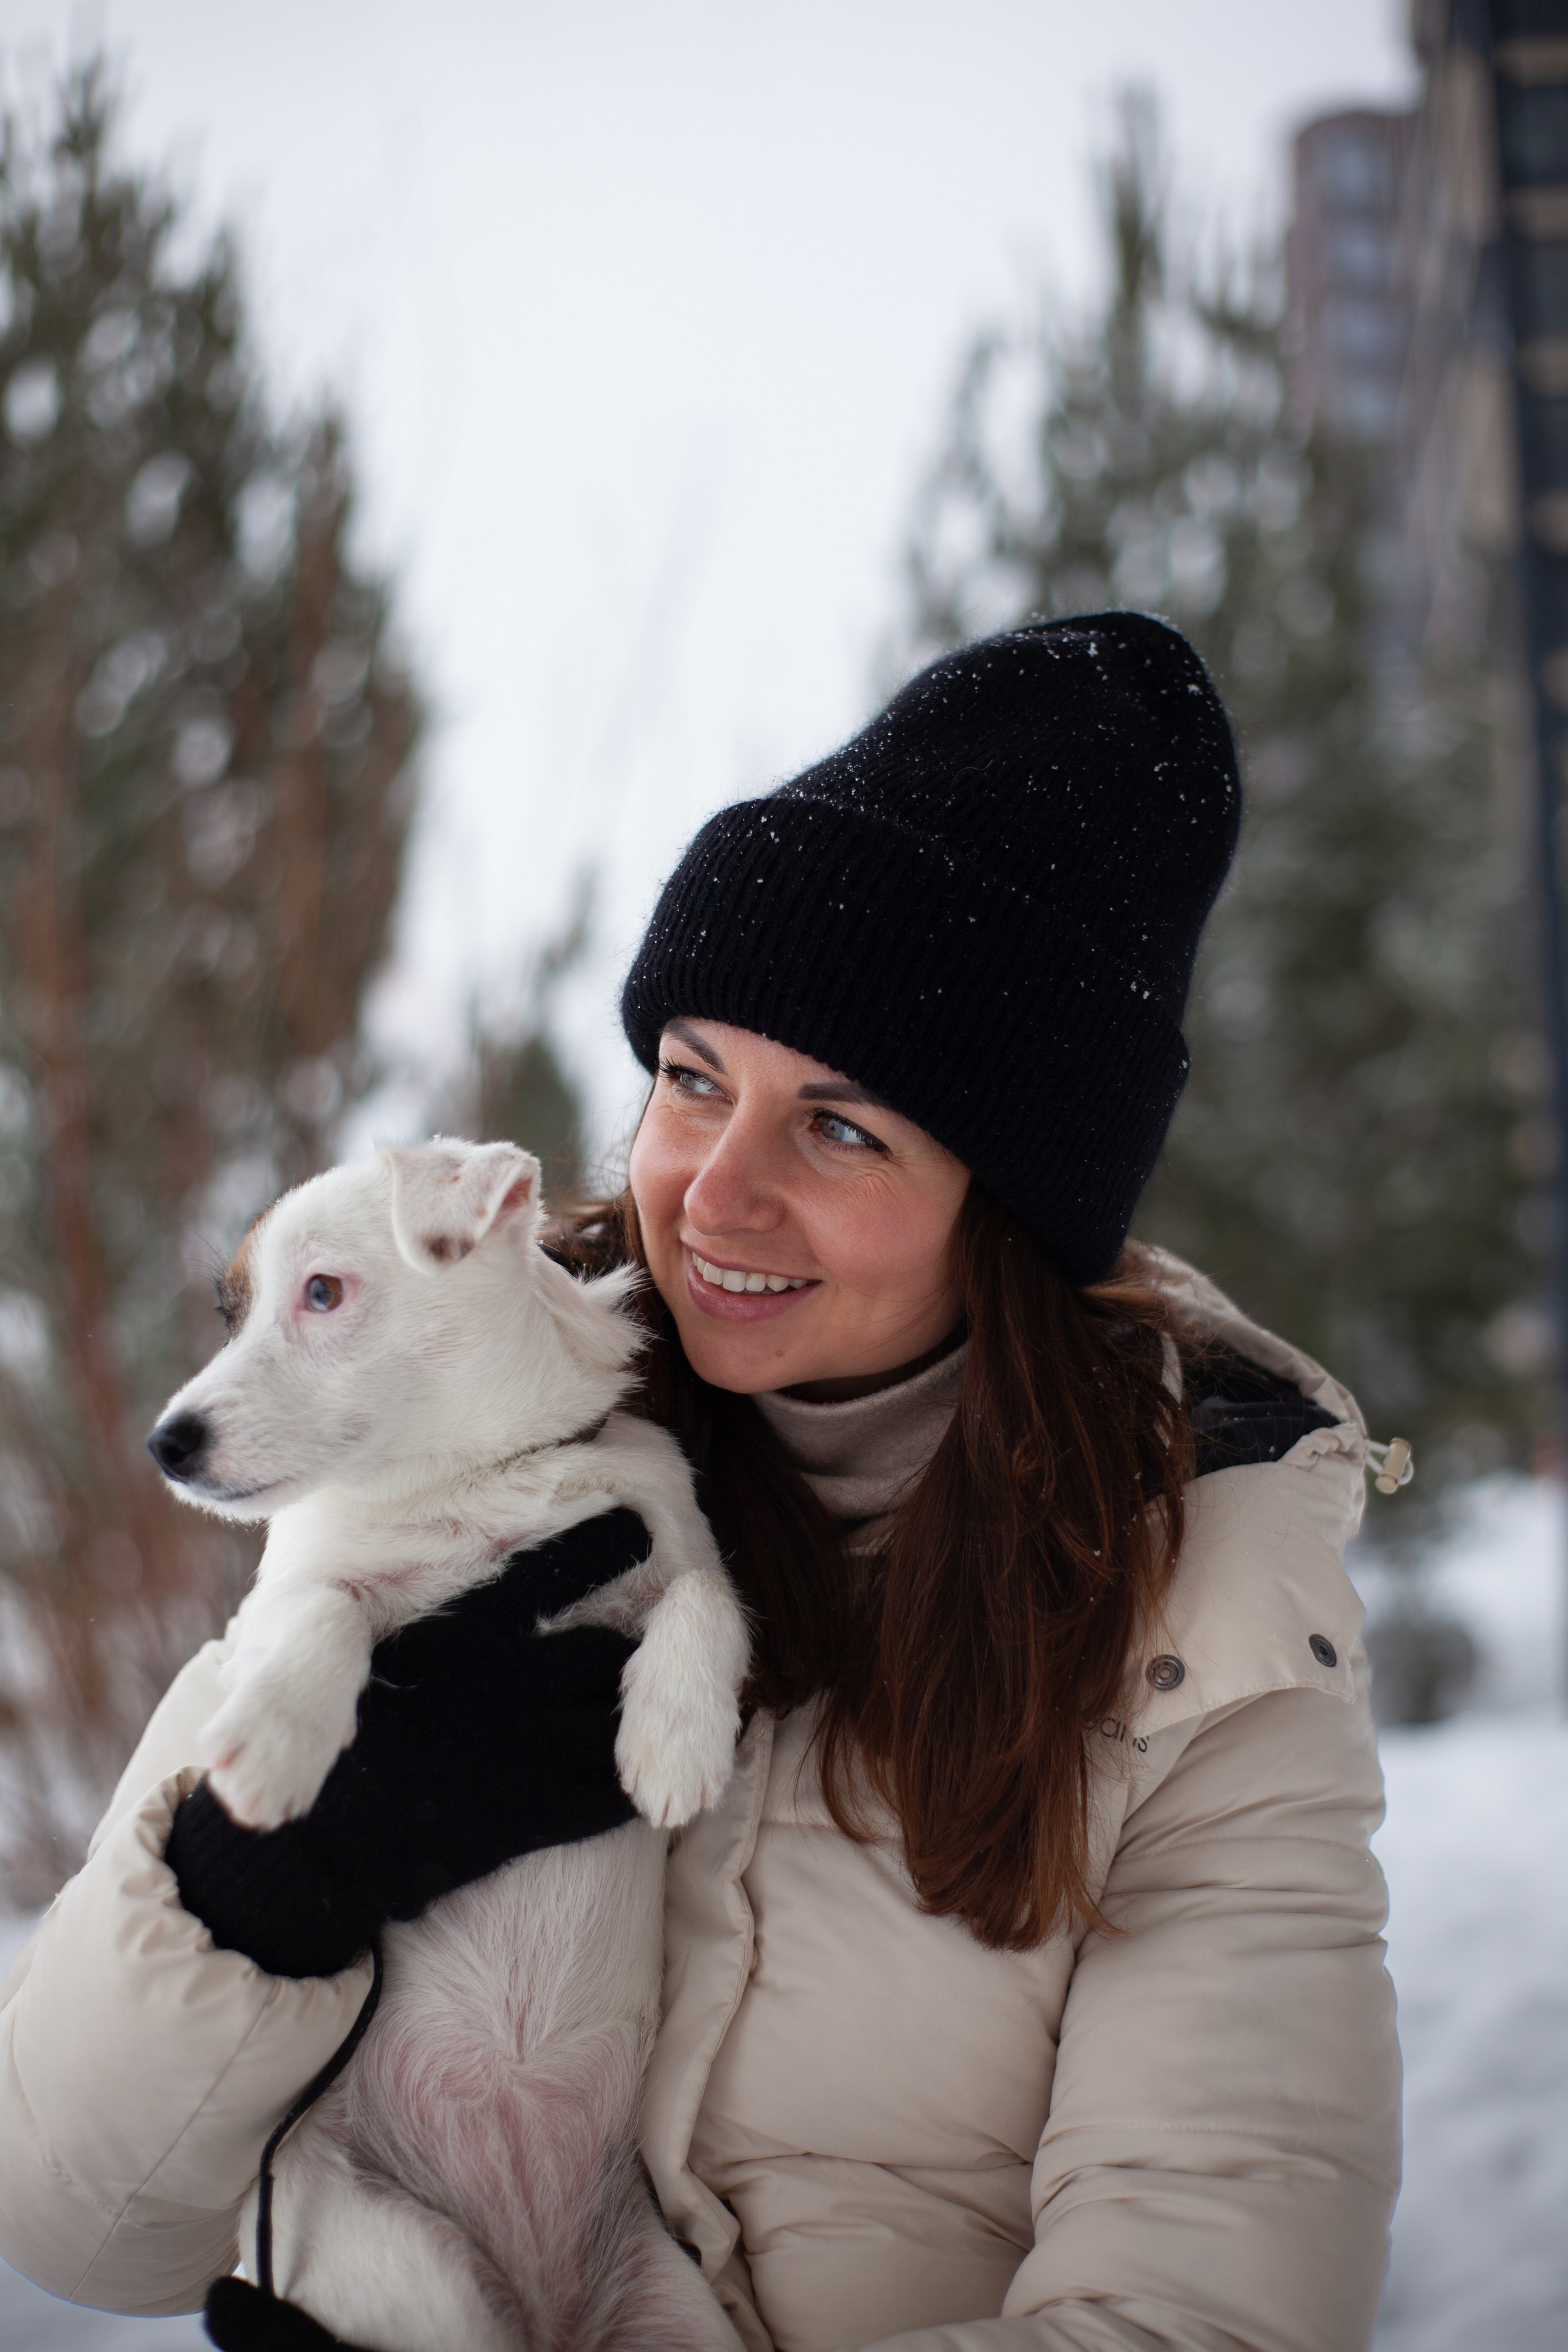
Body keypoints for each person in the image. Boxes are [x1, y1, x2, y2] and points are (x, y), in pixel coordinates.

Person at [0, 613, 1400, 2352]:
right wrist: (258, 1893)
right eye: (690, 1079)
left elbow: (1204, 2325)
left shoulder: (1211, 1635)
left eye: (841, 1126)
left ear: (1014, 1201)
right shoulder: (465, 1435)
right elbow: (73, 2221)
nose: (710, 1195)